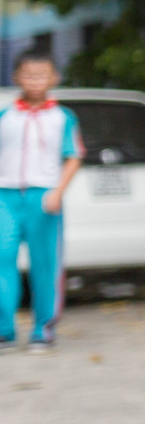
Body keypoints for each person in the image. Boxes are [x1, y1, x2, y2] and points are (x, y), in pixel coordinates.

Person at [0, 52, 82, 352]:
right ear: (16, 78)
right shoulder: (5, 116)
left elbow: (73, 156)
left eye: (42, 75)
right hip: (5, 196)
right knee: (2, 260)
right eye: (28, 75)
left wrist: (58, 191)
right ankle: (4, 330)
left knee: (45, 265)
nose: (35, 81)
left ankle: (43, 329)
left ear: (54, 78)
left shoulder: (63, 118)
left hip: (44, 196)